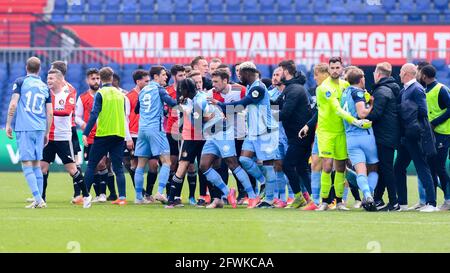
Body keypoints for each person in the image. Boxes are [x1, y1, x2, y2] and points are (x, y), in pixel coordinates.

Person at [213, 61, 279, 208]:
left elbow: (242, 104)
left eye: (240, 74)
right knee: (243, 159)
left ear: (247, 73)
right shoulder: (250, 86)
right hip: (253, 132)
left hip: (265, 131)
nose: (239, 77)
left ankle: (269, 200)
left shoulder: (259, 88)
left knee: (268, 164)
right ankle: (262, 181)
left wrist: (220, 105)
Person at [167, 78, 237, 208]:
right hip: (191, 136)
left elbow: (199, 122)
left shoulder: (199, 99)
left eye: (200, 81)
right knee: (186, 166)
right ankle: (173, 198)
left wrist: (195, 114)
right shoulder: (188, 99)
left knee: (205, 167)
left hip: (202, 136)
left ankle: (216, 198)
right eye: (197, 82)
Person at [313, 56, 371, 211]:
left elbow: (358, 97)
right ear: (328, 69)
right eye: (332, 68)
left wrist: (367, 97)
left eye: (337, 68)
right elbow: (337, 109)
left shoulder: (346, 85)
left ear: (341, 69)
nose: (334, 70)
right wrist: (355, 121)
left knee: (340, 167)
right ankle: (324, 201)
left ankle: (339, 202)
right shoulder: (324, 88)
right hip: (326, 132)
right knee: (326, 166)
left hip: (342, 132)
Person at [205, 69, 259, 208]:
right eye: (212, 81)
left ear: (225, 81)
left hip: (239, 133)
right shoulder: (210, 93)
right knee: (213, 165)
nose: (213, 84)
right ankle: (223, 195)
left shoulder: (240, 90)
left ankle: (250, 195)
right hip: (218, 134)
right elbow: (206, 114)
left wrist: (222, 108)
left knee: (237, 164)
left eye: (216, 81)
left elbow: (245, 107)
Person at [39, 69, 93, 206]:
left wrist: (50, 112)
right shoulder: (45, 92)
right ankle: (41, 199)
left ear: (59, 79)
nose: (48, 81)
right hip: (48, 137)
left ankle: (86, 196)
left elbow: (67, 111)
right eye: (48, 78)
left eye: (51, 78)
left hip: (63, 137)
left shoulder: (68, 92)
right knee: (42, 168)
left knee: (72, 170)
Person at [82, 67, 133, 205]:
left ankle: (85, 195)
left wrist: (85, 133)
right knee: (118, 167)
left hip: (104, 134)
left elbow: (94, 115)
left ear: (101, 78)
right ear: (111, 78)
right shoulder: (120, 94)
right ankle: (122, 198)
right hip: (118, 134)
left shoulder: (100, 94)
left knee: (92, 164)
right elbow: (124, 117)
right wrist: (127, 136)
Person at [6, 57, 52, 208]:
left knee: (26, 163)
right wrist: (47, 131)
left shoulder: (20, 82)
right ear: (39, 69)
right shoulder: (45, 86)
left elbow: (13, 103)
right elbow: (50, 112)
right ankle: (39, 199)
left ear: (26, 67)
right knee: (36, 164)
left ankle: (38, 199)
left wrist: (8, 124)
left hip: (25, 127)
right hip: (39, 128)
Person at [394, 63, 438, 212]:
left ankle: (431, 203)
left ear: (406, 73)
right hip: (407, 137)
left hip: (416, 136)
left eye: (400, 71)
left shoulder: (417, 89)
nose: (399, 74)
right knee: (399, 167)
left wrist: (408, 118)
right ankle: (403, 204)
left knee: (422, 167)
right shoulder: (405, 90)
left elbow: (423, 112)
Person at [133, 66, 179, 204]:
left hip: (142, 129)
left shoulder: (143, 90)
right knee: (167, 162)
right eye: (163, 75)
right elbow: (172, 103)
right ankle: (160, 192)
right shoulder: (159, 89)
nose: (166, 77)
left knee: (141, 164)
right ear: (156, 77)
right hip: (155, 129)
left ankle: (138, 198)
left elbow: (137, 110)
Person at [273, 60, 313, 209]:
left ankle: (299, 197)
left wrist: (266, 117)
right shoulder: (289, 88)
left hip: (301, 136)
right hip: (295, 136)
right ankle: (311, 198)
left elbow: (285, 113)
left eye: (279, 72)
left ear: (286, 71)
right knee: (302, 167)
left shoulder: (295, 89)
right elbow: (275, 103)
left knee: (288, 165)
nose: (277, 75)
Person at [76, 68, 117, 203]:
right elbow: (77, 116)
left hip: (103, 134)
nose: (96, 81)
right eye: (93, 78)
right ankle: (97, 194)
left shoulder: (105, 94)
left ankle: (104, 194)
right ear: (87, 80)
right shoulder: (82, 98)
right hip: (90, 136)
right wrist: (83, 126)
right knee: (92, 167)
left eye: (98, 78)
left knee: (102, 163)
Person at [340, 67, 378, 211]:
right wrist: (371, 106)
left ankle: (366, 195)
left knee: (360, 171)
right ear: (361, 79)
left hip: (350, 137)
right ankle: (370, 196)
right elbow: (362, 113)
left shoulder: (344, 93)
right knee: (373, 168)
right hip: (364, 135)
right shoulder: (358, 92)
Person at [366, 62, 401, 211]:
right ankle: (378, 199)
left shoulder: (381, 91)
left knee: (386, 168)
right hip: (389, 134)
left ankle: (394, 202)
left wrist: (365, 110)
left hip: (385, 136)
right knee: (382, 168)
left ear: (379, 74)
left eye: (374, 72)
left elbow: (376, 114)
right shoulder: (391, 89)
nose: (373, 75)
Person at [50, 61, 83, 200]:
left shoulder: (69, 89)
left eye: (52, 72)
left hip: (67, 129)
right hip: (51, 130)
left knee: (74, 163)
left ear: (58, 73)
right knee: (43, 163)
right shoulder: (50, 88)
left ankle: (78, 194)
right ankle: (40, 195)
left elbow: (67, 110)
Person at [421, 64, 450, 211]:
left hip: (443, 134)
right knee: (431, 167)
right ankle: (430, 202)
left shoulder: (441, 89)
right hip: (431, 135)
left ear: (424, 76)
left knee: (439, 168)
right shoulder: (426, 90)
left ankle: (448, 200)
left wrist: (434, 123)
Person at [300, 63, 329, 210]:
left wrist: (308, 125)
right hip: (320, 131)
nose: (314, 77)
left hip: (333, 132)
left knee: (336, 166)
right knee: (315, 163)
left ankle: (337, 199)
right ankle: (316, 201)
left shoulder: (332, 88)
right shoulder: (319, 90)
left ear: (325, 74)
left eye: (316, 74)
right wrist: (309, 126)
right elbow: (319, 112)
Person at [124, 69, 155, 201]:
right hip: (134, 134)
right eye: (146, 81)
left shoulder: (151, 94)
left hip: (149, 133)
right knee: (135, 165)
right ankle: (140, 194)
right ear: (138, 81)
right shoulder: (128, 96)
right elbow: (125, 118)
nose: (148, 83)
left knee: (154, 165)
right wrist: (128, 137)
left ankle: (148, 193)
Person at [267, 67, 294, 208]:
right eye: (274, 75)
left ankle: (292, 195)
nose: (275, 77)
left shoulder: (291, 92)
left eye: (278, 75)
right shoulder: (269, 94)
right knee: (277, 165)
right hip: (275, 134)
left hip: (289, 133)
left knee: (290, 165)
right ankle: (281, 197)